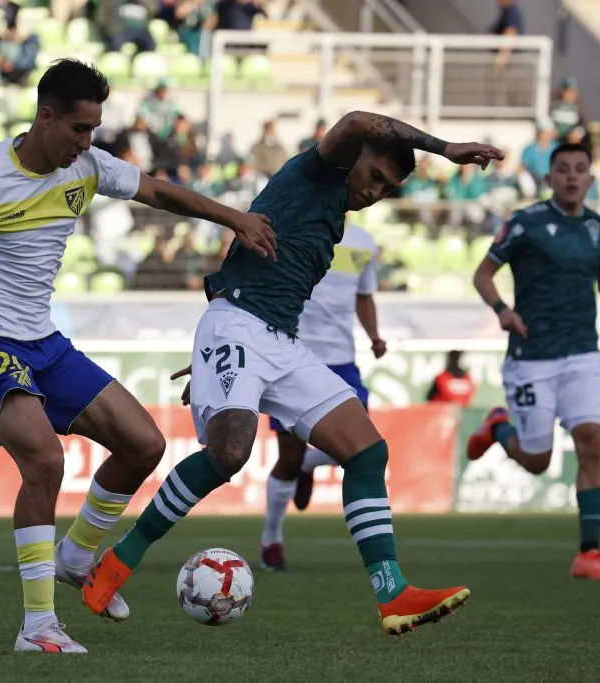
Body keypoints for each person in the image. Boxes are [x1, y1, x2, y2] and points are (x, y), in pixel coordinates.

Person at [0, 59, 276, 654]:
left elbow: (156, 190)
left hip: (44, 343)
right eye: (78, 128)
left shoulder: (87, 166)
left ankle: (76, 556)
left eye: (93, 129)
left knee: (144, 444)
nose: (87, 141)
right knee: (45, 460)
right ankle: (38, 625)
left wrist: (234, 218)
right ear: (45, 117)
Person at [81, 110, 504, 637]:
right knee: (230, 452)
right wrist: (445, 149)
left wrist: (211, 361)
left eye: (387, 190)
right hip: (236, 324)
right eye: (375, 176)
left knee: (367, 451)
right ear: (355, 157)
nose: (375, 192)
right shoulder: (318, 171)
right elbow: (358, 120)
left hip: (278, 339)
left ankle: (392, 592)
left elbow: (274, 285)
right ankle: (115, 565)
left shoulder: (334, 218)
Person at [467, 142, 600, 582]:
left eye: (579, 169)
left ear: (590, 178)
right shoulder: (525, 222)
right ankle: (498, 427)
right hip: (531, 357)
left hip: (582, 354)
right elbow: (482, 274)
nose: (572, 176)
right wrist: (502, 310)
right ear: (550, 177)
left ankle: (589, 553)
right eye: (564, 169)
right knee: (537, 461)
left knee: (592, 443)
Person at [256, 221, 386, 571]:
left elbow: (364, 296)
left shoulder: (364, 242)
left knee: (362, 447)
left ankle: (308, 465)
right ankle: (271, 539)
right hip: (291, 357)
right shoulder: (290, 229)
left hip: (342, 360)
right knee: (288, 457)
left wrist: (374, 336)